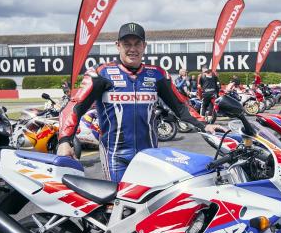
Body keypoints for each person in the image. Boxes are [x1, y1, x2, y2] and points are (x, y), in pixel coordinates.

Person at [57, 22, 224, 182]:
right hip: (115, 156)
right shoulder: (101, 73)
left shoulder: (158, 74)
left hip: (149, 155)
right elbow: (73, 107)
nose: (132, 49)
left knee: (151, 205)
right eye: (127, 44)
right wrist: (65, 142)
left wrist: (205, 125)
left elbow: (181, 106)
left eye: (137, 44)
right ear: (118, 45)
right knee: (119, 204)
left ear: (144, 46)